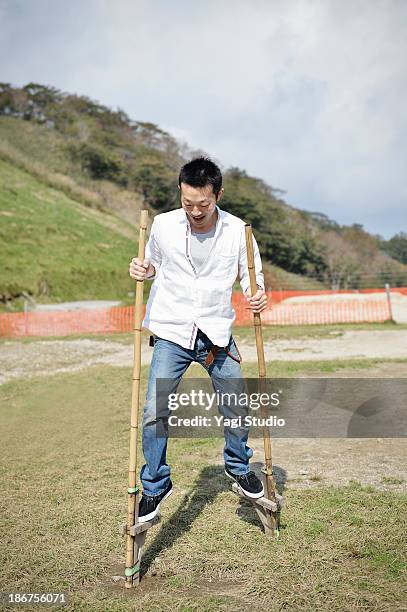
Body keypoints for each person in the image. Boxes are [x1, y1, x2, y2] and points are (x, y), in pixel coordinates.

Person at [129, 157, 268, 522]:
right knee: (153, 412)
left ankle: (238, 468)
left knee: (237, 404)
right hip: (172, 330)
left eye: (203, 204)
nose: (194, 211)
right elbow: (152, 263)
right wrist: (143, 268)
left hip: (216, 334)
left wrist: (257, 294)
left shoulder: (240, 231)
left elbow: (252, 278)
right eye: (187, 203)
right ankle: (156, 486)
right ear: (181, 192)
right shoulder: (162, 225)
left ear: (218, 195)